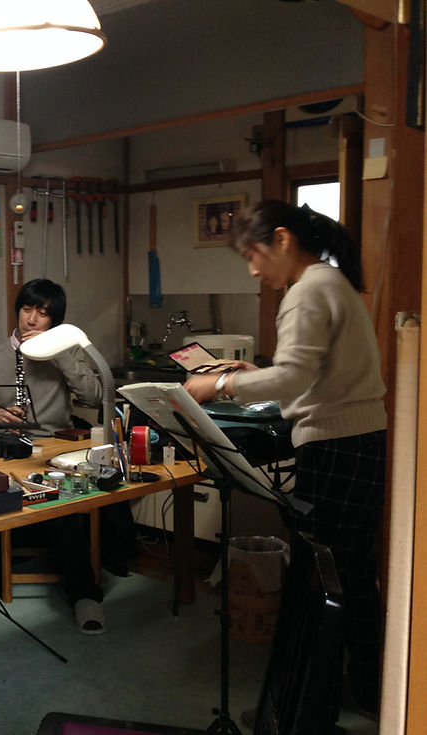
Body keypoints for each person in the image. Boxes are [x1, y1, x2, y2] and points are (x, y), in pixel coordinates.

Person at [184, 200, 386, 727]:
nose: (253, 270)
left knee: (317, 583)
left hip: (334, 448)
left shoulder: (307, 290)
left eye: (252, 255)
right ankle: (368, 689)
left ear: (281, 239)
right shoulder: (330, 282)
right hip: (361, 444)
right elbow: (311, 371)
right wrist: (253, 373)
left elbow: (294, 378)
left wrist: (220, 383)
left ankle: (305, 710)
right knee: (353, 577)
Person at [0, 278, 109, 634]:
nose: (31, 319)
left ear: (54, 321)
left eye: (42, 314)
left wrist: (60, 353)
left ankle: (84, 594)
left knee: (64, 503)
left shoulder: (67, 351)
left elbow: (95, 396)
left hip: (53, 446)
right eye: (26, 309)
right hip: (6, 447)